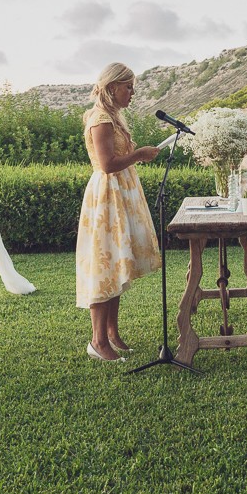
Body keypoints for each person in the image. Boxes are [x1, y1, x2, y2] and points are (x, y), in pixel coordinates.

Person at [75, 63, 162, 361]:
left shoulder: (113, 116)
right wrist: (139, 154)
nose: (133, 93)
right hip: (106, 199)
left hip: (118, 194)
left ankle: (112, 334)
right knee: (105, 266)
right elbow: (108, 163)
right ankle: (97, 342)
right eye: (129, 87)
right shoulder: (100, 119)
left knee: (115, 263)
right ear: (112, 88)